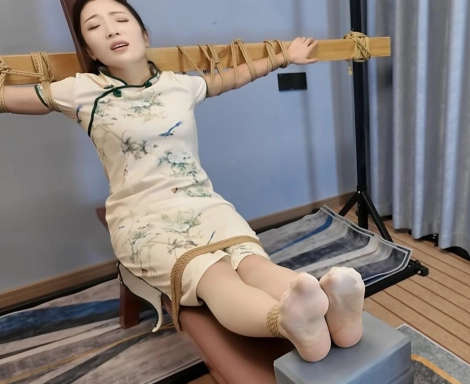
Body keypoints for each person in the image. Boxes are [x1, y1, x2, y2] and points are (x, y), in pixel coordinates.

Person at [0, 0, 365, 363]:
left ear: (144, 35)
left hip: (204, 204)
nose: (110, 30)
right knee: (214, 274)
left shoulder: (179, 85)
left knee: (254, 264)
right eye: (94, 27)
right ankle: (287, 323)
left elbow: (233, 76)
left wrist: (285, 57)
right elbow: (5, 99)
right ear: (90, 50)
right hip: (141, 219)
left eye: (120, 19)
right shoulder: (80, 91)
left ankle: (335, 311)